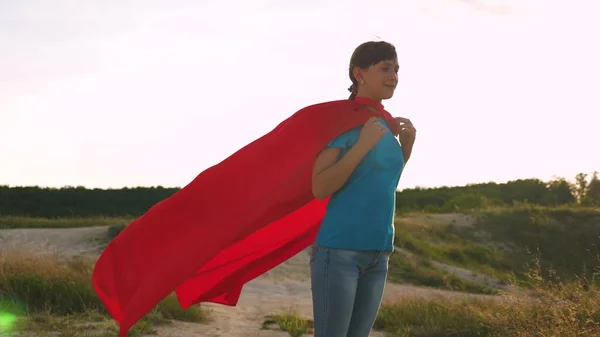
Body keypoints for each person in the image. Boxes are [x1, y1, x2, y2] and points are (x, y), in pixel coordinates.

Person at [309, 40, 416, 337]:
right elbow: (321, 186)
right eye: (385, 68)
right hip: (340, 251)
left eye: (396, 69)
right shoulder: (345, 121)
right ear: (359, 74)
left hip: (378, 253)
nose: (393, 75)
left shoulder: (385, 125)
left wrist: (404, 151)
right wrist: (362, 145)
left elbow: (378, 185)